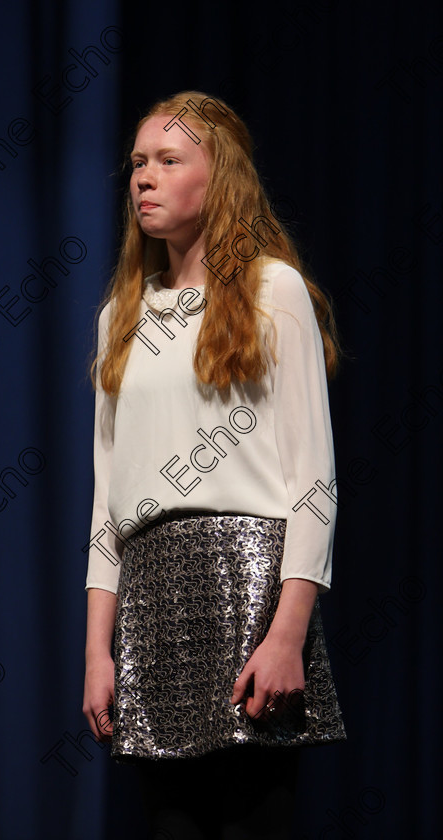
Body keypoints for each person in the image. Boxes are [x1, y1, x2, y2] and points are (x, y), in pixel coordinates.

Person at [83, 90, 346, 840]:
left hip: (249, 589)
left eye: (168, 160)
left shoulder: (272, 291)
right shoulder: (120, 320)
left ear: (218, 178)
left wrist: (288, 631)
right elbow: (108, 505)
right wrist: (97, 652)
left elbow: (314, 481)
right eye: (138, 162)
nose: (144, 177)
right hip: (152, 601)